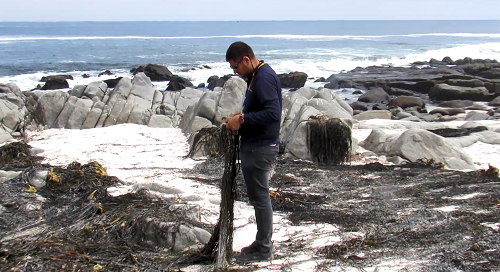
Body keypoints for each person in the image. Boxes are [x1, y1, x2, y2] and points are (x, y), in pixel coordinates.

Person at [225, 41, 282, 263]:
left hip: (261, 147)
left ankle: (264, 248)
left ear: (246, 60)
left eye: (235, 67)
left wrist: (243, 119)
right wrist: (244, 113)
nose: (235, 72)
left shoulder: (264, 77)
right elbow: (261, 108)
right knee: (258, 198)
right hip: (255, 145)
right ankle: (261, 243)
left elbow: (273, 114)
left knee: (260, 199)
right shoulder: (255, 76)